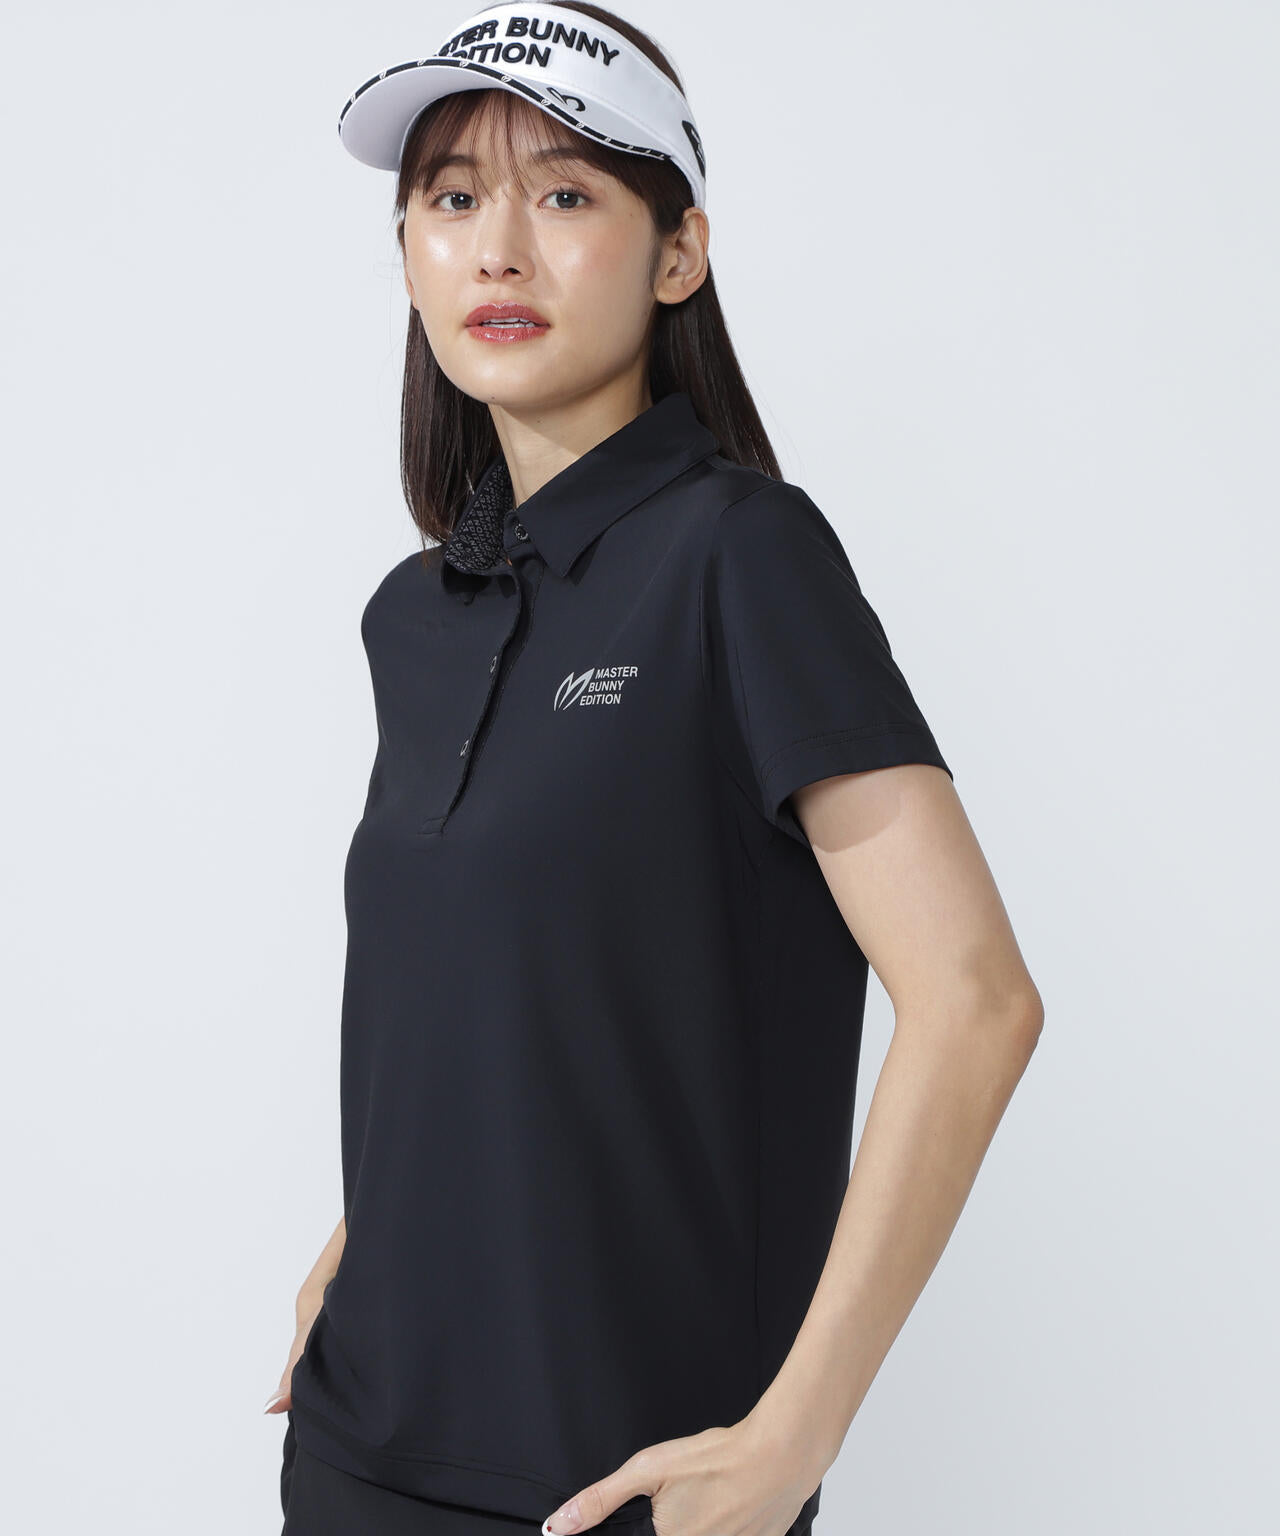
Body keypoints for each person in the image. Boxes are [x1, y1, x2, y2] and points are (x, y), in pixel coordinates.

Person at [264, 4, 1045, 1534]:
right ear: (409, 250)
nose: (499, 251)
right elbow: (497, 994)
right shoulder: (416, 613)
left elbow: (976, 1001)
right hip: (360, 1452)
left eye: (564, 194)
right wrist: (371, 1240)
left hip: (624, 1484)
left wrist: (790, 1440)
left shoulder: (743, 556)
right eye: (451, 198)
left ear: (678, 251)